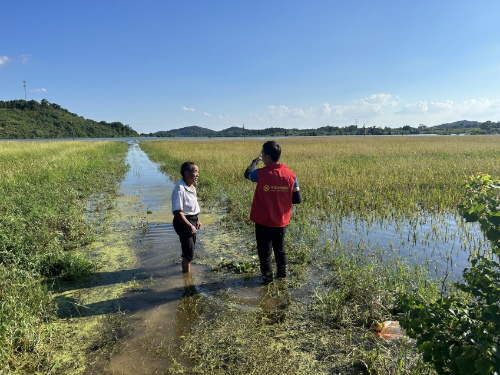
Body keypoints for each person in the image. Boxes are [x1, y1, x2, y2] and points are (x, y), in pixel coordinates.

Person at [244, 141, 302, 284]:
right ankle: (282, 277)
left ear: (268, 157)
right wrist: (280, 198)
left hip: (263, 222)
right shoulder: (291, 175)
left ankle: (267, 281)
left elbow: (247, 174)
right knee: (280, 250)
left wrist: (254, 161)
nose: (261, 156)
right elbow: (297, 199)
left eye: (262, 154)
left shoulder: (260, 173)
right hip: (281, 222)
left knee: (265, 253)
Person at [172, 162, 202, 273]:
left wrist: (197, 220)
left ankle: (187, 274)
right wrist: (189, 225)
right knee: (188, 253)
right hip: (183, 222)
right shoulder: (180, 189)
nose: (197, 174)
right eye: (195, 172)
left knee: (190, 250)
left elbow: (192, 207)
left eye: (198, 172)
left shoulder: (192, 188)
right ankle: (187, 281)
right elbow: (177, 211)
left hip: (192, 220)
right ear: (186, 173)